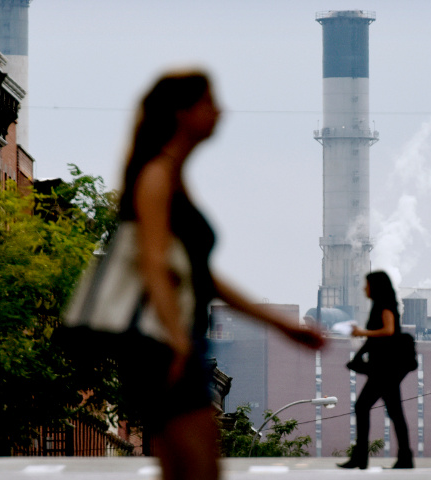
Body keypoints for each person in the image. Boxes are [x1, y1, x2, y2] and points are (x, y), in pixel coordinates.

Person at [117, 69, 325, 480]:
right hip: (165, 346)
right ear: (182, 112)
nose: (220, 111)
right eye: (209, 102)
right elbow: (154, 264)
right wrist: (177, 342)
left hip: (173, 343)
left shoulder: (172, 176)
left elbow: (203, 277)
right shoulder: (156, 175)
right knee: (199, 473)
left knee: (188, 473)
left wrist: (282, 326)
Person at [337, 271, 413, 470]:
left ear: (376, 286)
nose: (364, 288)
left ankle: (362, 457)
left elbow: (388, 331)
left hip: (385, 369)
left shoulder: (385, 306)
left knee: (364, 407)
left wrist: (361, 332)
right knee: (393, 412)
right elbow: (373, 340)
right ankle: (404, 457)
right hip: (383, 368)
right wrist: (358, 356)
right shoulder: (377, 306)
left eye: (367, 285)